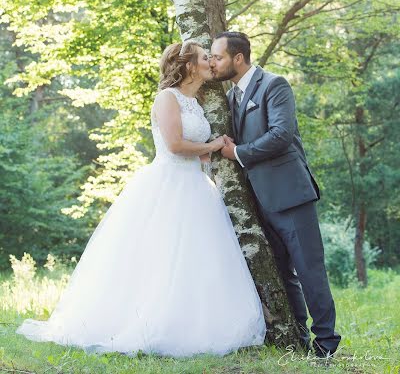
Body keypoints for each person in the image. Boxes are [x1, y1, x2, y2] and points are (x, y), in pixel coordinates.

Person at [16, 40, 267, 357]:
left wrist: (215, 156)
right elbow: (174, 145)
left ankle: (191, 321)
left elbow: (196, 151)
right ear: (189, 65)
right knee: (159, 257)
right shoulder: (167, 98)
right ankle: (146, 322)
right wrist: (214, 145)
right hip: (166, 184)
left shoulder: (198, 102)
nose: (212, 62)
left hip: (196, 186)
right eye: (206, 58)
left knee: (195, 258)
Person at [209, 31, 341, 359]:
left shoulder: (274, 85)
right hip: (261, 201)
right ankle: (298, 335)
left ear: (238, 59)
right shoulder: (230, 98)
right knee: (283, 273)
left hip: (291, 195)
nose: (214, 63)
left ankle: (326, 345)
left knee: (310, 270)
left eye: (219, 57)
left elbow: (281, 135)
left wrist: (238, 153)